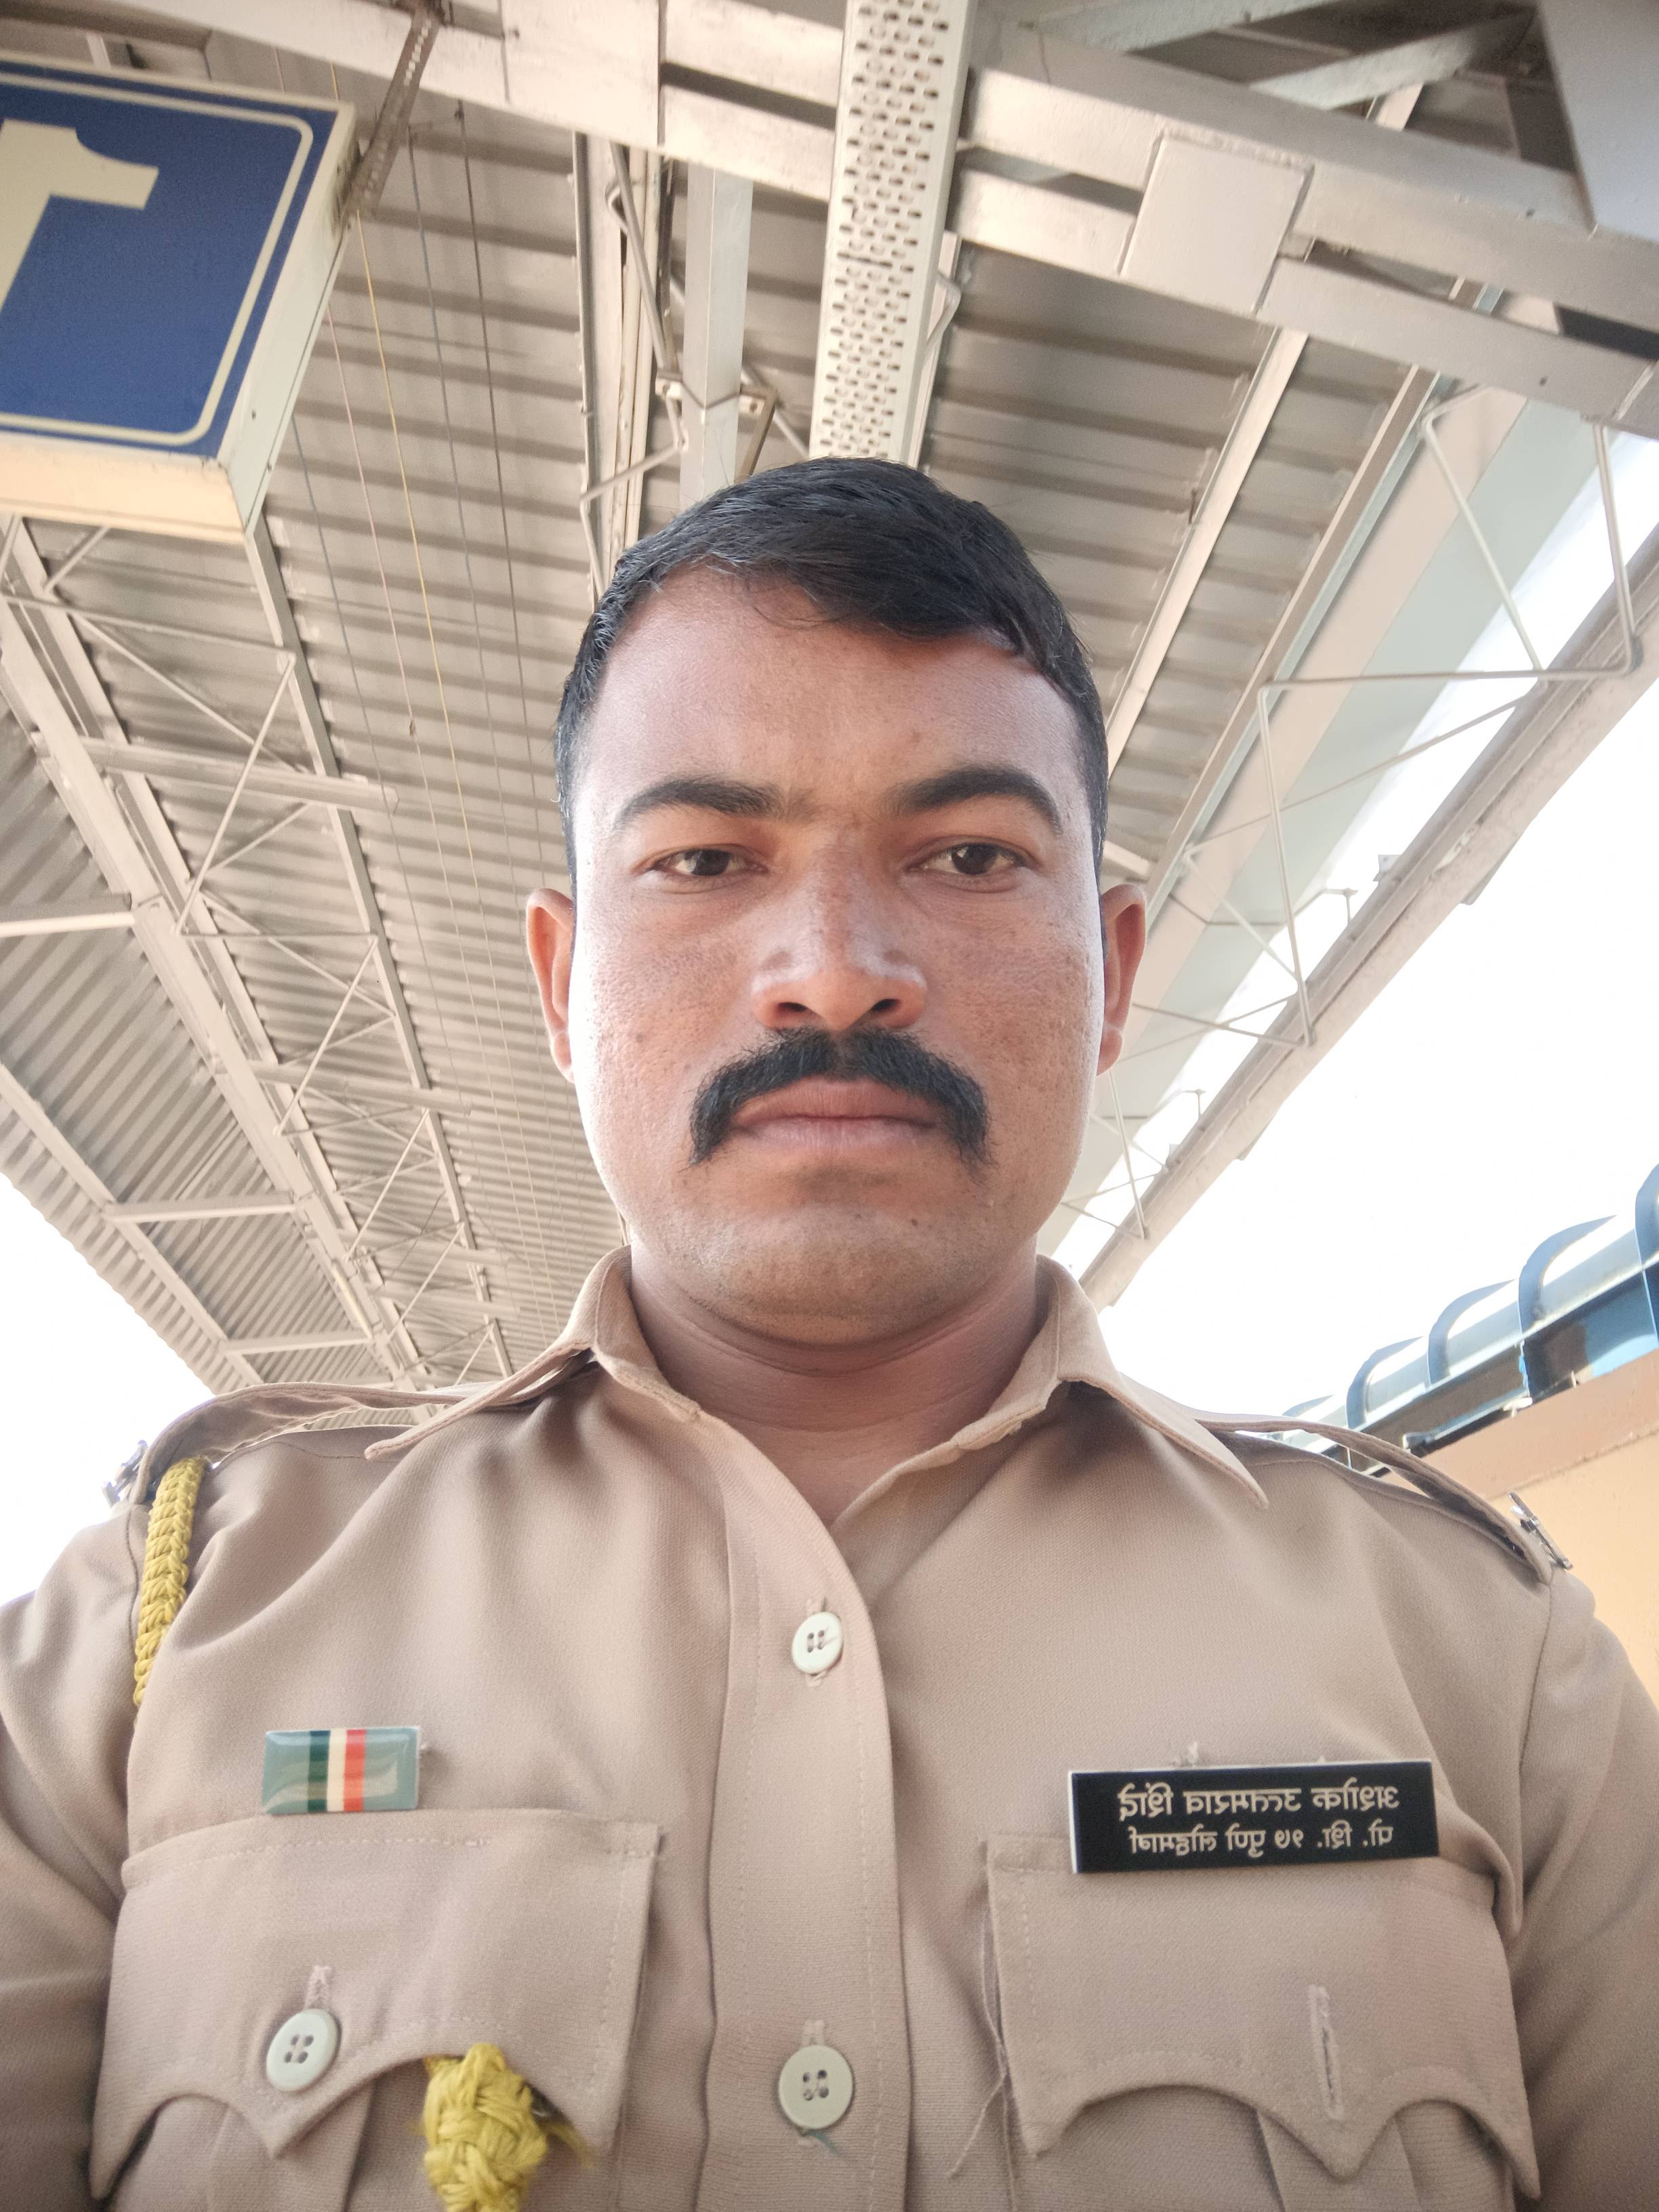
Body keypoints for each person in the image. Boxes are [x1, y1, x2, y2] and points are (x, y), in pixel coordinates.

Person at [1, 459, 1654, 2212]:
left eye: (969, 856)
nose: (837, 968)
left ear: (1111, 971)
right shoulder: (154, 1640)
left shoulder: (1483, 1660)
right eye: (707, 860)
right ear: (562, 985)